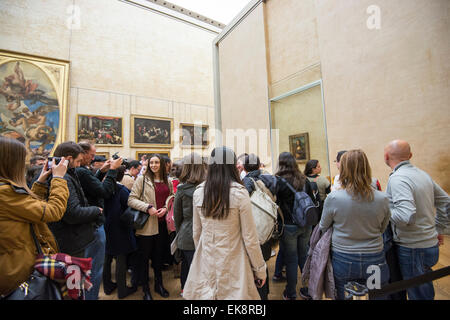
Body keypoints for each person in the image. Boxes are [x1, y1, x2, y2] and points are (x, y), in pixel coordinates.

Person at [183, 147, 266, 300]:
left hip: (207, 257)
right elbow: (250, 238)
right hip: (234, 259)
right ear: (232, 165)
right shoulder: (240, 193)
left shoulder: (199, 192)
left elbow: (197, 232)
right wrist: (260, 269)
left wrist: (202, 254)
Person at [0, 137, 69, 297]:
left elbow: (26, 209)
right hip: (18, 272)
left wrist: (40, 182)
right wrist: (58, 179)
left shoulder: (6, 192)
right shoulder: (4, 193)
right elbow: (53, 211)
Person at [320, 149, 391, 300]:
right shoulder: (383, 198)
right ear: (367, 168)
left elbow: (323, 227)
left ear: (344, 169)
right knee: (377, 295)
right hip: (374, 257)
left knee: (343, 295)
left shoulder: (334, 198)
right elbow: (383, 228)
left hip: (344, 258)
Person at [384, 140, 449, 300]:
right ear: (410, 156)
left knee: (419, 293)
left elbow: (405, 216)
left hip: (412, 248)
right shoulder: (422, 174)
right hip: (429, 244)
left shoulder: (398, 179)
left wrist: (383, 212)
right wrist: (438, 229)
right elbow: (446, 201)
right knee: (424, 287)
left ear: (386, 157)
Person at [76, 141, 123, 300]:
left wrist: (101, 172)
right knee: (94, 268)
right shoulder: (82, 171)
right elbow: (104, 191)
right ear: (82, 153)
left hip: (87, 225)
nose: (93, 157)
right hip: (93, 224)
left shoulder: (80, 171)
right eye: (92, 154)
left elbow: (92, 186)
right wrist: (113, 171)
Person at [268, 152, 316, 300]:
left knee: (291, 260)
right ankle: (308, 289)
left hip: (288, 225)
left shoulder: (278, 181)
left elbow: (274, 203)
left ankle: (291, 292)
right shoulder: (304, 179)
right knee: (304, 257)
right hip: (305, 224)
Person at [128, 154, 174, 300]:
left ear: (162, 164)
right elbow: (131, 199)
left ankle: (159, 285)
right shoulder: (142, 179)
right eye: (151, 163)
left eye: (156, 162)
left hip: (162, 225)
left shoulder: (168, 180)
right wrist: (147, 207)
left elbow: (171, 196)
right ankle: (146, 290)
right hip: (147, 225)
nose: (154, 165)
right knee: (144, 258)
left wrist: (166, 208)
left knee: (159, 257)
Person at [48, 141, 103, 258]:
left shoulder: (61, 173)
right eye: (78, 161)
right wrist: (96, 210)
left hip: (66, 237)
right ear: (69, 158)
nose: (78, 165)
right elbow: (73, 213)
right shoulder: (64, 178)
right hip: (70, 239)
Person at [173, 153, 206, 297]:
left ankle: (185, 290)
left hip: (187, 233)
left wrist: (178, 233)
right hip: (205, 233)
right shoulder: (208, 188)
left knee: (187, 264)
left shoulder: (181, 189)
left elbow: (177, 216)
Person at [103, 165, 137, 299]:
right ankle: (122, 290)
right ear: (122, 176)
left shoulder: (102, 188)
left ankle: (107, 286)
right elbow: (130, 206)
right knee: (121, 260)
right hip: (120, 228)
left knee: (107, 259)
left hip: (106, 226)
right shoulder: (121, 190)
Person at [242, 153, 273, 300]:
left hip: (255, 227)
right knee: (263, 264)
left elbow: (243, 203)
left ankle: (259, 296)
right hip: (267, 227)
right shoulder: (268, 178)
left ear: (244, 167)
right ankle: (265, 293)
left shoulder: (247, 180)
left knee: (255, 265)